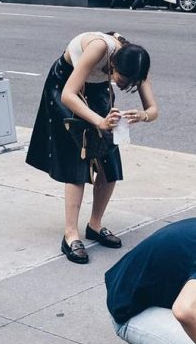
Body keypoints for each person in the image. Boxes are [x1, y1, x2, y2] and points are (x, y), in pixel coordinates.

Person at [26, 31, 158, 264]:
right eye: (122, 79)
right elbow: (68, 94)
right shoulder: (99, 48)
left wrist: (142, 115)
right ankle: (70, 234)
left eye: (130, 85)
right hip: (65, 85)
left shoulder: (137, 64)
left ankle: (95, 225)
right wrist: (99, 121)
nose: (123, 85)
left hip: (96, 89)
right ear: (113, 63)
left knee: (109, 158)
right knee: (77, 157)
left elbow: (153, 109)